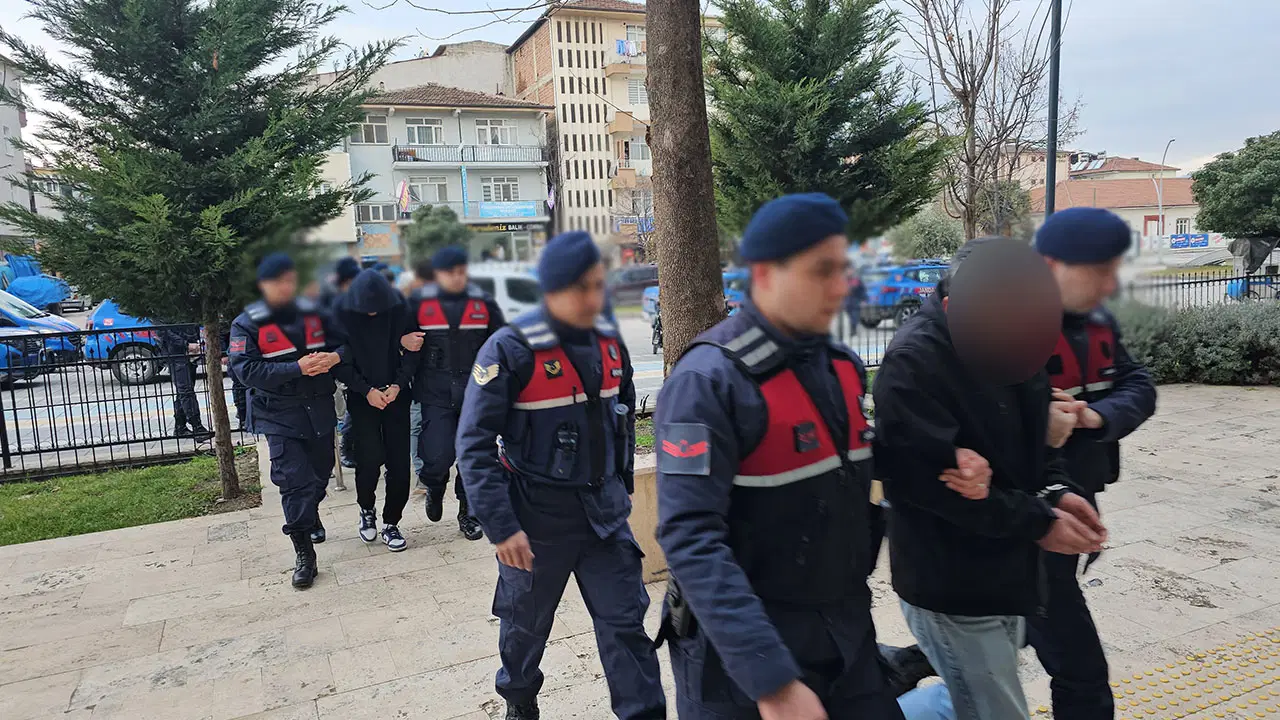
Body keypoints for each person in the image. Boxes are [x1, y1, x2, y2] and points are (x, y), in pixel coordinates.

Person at [655, 193, 956, 720]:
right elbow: (690, 537)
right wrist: (771, 683)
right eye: (822, 270)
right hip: (740, 658)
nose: (841, 286)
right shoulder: (708, 381)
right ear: (764, 274)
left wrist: (954, 461)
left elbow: (860, 463)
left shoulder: (841, 367)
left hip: (843, 632)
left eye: (843, 268)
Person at [872, 236, 1109, 720]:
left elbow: (1040, 438)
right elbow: (928, 487)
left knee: (972, 699)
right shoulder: (913, 361)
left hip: (1012, 571)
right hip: (952, 585)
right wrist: (1040, 522)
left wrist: (1057, 492)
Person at [456, 231, 665, 720]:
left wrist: (622, 488)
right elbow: (473, 445)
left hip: (604, 519)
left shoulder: (609, 344)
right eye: (581, 287)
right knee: (524, 627)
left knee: (626, 626)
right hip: (535, 521)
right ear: (551, 290)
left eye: (598, 284)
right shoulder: (509, 350)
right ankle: (519, 699)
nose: (594, 297)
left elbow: (622, 419)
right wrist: (501, 526)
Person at [1026, 208, 1157, 720]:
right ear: (1051, 266)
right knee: (1080, 667)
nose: (1110, 284)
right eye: (1099, 271)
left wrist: (1094, 416)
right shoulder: (1007, 327)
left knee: (1016, 625)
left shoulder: (1099, 323)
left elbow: (1138, 384)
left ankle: (920, 658)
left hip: (1078, 496)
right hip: (1029, 515)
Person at [229, 253, 345, 589]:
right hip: (278, 414)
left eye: (291, 280)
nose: (286, 287)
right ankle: (304, 551)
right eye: (278, 281)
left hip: (318, 410)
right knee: (294, 481)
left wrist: (335, 356)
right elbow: (246, 370)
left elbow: (348, 344)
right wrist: (297, 368)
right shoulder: (247, 323)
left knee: (320, 474)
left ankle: (311, 512)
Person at [405, 246, 504, 540]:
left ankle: (468, 512)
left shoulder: (482, 303)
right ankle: (434, 487)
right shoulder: (418, 303)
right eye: (450, 272)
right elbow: (396, 337)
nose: (457, 277)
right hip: (435, 392)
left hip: (476, 393)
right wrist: (402, 340)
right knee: (437, 455)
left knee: (473, 456)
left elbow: (501, 342)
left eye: (461, 271)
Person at [332, 269, 418, 552]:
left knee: (399, 463)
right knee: (368, 459)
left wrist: (398, 384)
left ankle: (392, 521)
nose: (372, 314)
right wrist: (366, 390)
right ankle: (366, 509)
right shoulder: (342, 313)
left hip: (396, 395)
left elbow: (415, 349)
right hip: (362, 396)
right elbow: (340, 361)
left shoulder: (400, 308)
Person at [326, 256, 362, 468]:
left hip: (351, 363)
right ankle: (345, 448)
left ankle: (349, 448)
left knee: (351, 412)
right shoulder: (332, 303)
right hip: (333, 365)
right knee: (344, 413)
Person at [408, 259, 434, 488]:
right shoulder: (412, 307)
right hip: (418, 376)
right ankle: (421, 472)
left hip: (439, 378)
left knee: (418, 425)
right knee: (417, 423)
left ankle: (426, 473)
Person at [157, 323, 209, 438]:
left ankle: (180, 427)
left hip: (187, 351)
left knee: (184, 391)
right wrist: (186, 344)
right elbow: (164, 331)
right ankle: (197, 427)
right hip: (175, 353)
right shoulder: (162, 317)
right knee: (186, 391)